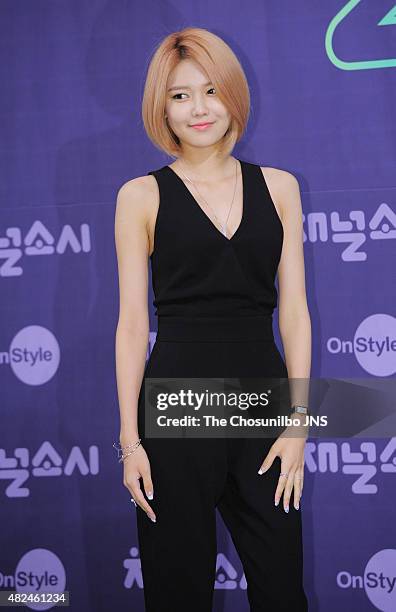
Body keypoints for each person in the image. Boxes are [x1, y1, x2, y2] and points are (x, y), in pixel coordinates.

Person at [114, 27, 311, 612]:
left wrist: (299, 424)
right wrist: (131, 443)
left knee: (281, 587)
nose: (198, 109)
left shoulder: (280, 188)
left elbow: (295, 314)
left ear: (233, 96)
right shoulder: (140, 197)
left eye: (210, 91)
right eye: (179, 95)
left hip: (264, 407)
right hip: (174, 410)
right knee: (178, 590)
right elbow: (130, 326)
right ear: (162, 108)